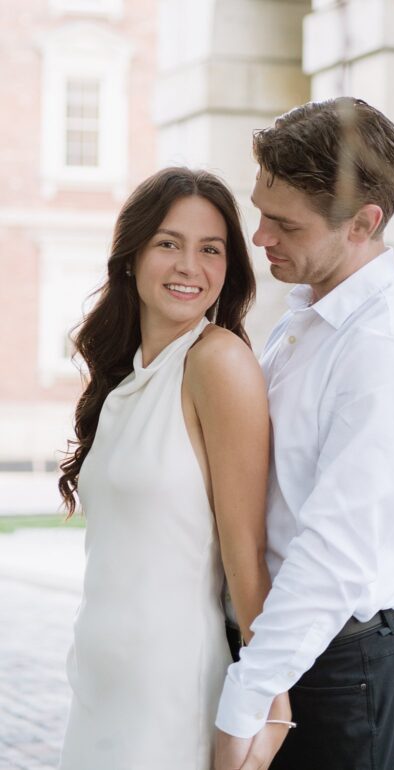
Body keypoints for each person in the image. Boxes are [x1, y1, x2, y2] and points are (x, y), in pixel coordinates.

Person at [213, 97, 394, 770]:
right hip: (292, 657)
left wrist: (250, 695)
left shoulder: (385, 349)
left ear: (363, 223)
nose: (260, 237)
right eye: (261, 211)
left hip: (350, 680)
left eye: (284, 223)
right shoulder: (307, 323)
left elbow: (334, 551)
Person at [57, 167, 289, 769]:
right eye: (168, 243)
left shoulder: (219, 365)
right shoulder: (123, 379)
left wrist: (270, 706)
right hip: (101, 681)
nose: (190, 265)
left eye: (210, 249)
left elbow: (246, 553)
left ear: (228, 268)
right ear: (131, 257)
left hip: (172, 689)